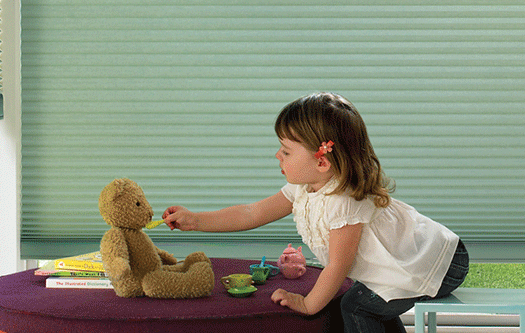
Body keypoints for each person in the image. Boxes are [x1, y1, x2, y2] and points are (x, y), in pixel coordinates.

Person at [161, 92, 469, 332]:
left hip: (439, 261)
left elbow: (337, 266)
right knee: (365, 300)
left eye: (286, 150)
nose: (277, 155)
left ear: (321, 162)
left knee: (356, 306)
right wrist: (195, 219)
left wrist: (308, 305)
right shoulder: (304, 186)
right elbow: (251, 213)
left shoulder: (344, 200)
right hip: (406, 261)